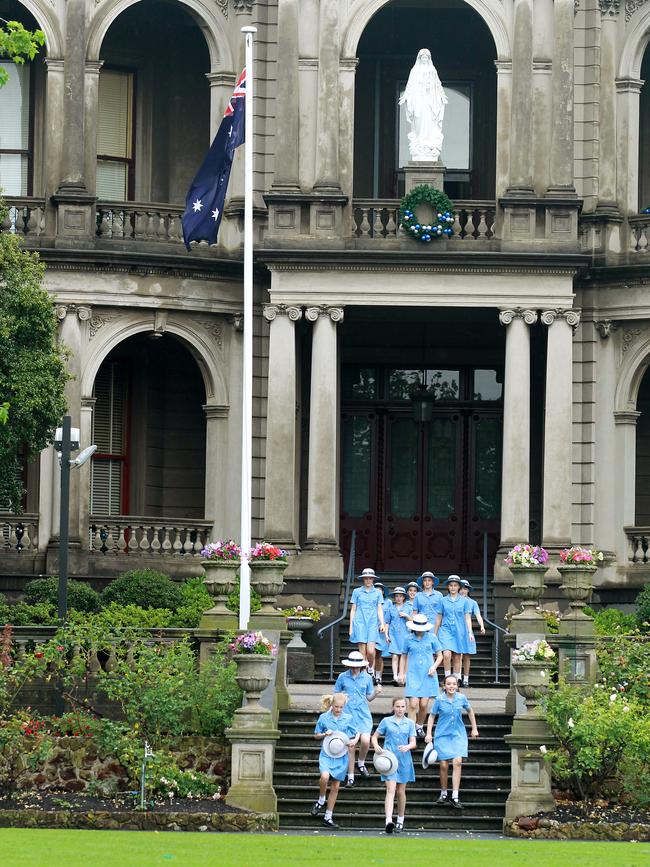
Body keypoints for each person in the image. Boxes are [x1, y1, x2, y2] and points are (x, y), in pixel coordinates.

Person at [425, 674, 479, 809]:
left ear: (457, 685)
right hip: (442, 735)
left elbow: (470, 711)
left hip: (458, 734)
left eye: (454, 684)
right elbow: (432, 716)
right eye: (448, 684)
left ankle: (455, 795)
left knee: (458, 761)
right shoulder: (439, 699)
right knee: (443, 764)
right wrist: (429, 733)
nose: (451, 686)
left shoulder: (461, 698)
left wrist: (474, 728)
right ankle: (444, 793)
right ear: (444, 686)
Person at [334, 649, 382, 786]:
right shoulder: (342, 677)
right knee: (351, 746)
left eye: (357, 666)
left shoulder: (367, 677)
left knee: (366, 741)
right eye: (353, 666)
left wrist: (376, 693)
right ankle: (350, 776)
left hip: (363, 714)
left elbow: (369, 697)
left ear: (361, 666)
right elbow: (336, 695)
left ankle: (361, 763)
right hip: (348, 715)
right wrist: (341, 700)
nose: (355, 669)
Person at [312, 693, 359, 828]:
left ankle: (328, 817)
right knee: (325, 777)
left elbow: (357, 732)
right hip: (327, 753)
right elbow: (316, 735)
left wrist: (354, 741)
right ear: (331, 705)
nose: (338, 709)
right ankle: (321, 799)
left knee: (336, 786)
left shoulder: (348, 718)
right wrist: (323, 734)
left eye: (341, 707)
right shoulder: (324, 718)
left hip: (341, 754)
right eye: (336, 707)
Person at [371, 696, 417, 834]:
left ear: (406, 708)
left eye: (403, 706)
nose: (400, 709)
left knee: (401, 791)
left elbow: (414, 742)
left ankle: (401, 820)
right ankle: (388, 821)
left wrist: (408, 746)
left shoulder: (409, 723)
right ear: (393, 707)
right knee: (390, 789)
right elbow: (374, 736)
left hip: (404, 760)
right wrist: (376, 746)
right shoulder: (386, 721)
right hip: (389, 760)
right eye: (397, 706)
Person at [398, 48, 448, 162]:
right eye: (423, 57)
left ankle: (429, 145)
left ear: (429, 58)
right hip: (419, 101)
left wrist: (441, 95)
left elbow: (438, 84)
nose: (425, 59)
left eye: (426, 57)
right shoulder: (414, 71)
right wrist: (406, 96)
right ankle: (420, 145)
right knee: (419, 121)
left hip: (430, 102)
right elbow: (410, 85)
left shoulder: (432, 70)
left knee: (430, 122)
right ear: (420, 58)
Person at [404, 612, 443, 738]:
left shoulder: (432, 638)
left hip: (428, 673)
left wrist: (434, 666)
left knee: (424, 704)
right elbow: (403, 656)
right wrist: (401, 672)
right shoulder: (408, 638)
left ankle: (419, 726)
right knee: (413, 703)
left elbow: (440, 655)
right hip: (413, 673)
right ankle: (411, 731)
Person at [349, 567, 386, 682]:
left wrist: (382, 623)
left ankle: (370, 667)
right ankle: (364, 674)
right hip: (359, 622)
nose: (368, 580)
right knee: (362, 651)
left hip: (372, 623)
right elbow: (353, 609)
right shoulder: (357, 591)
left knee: (371, 650)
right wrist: (351, 626)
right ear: (363, 579)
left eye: (370, 578)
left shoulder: (378, 592)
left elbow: (379, 609)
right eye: (366, 578)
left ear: (373, 579)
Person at [435, 575, 474, 680]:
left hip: (459, 631)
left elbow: (467, 618)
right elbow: (438, 618)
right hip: (445, 630)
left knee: (457, 657)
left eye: (455, 585)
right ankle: (448, 679)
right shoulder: (442, 600)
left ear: (459, 587)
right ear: (448, 587)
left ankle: (455, 681)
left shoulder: (465, 601)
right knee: (446, 654)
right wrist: (434, 634)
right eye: (451, 585)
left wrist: (470, 632)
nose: (453, 587)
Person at [459, 579, 485, 687]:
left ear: (468, 590)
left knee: (467, 656)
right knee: (457, 655)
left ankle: (466, 679)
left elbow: (478, 615)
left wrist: (482, 626)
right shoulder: (455, 601)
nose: (463, 591)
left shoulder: (472, 602)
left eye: (465, 589)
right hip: (456, 630)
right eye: (461, 589)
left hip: (467, 631)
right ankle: (457, 677)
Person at [385, 586, 412, 685]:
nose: (398, 598)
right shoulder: (391, 608)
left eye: (400, 596)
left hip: (405, 634)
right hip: (394, 634)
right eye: (396, 596)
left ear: (404, 597)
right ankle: (395, 676)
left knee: (404, 655)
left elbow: (413, 621)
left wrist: (406, 615)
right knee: (395, 656)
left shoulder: (408, 608)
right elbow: (387, 622)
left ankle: (404, 675)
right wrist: (386, 635)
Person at [373, 582, 393, 685]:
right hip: (371, 628)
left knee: (379, 655)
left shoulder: (388, 602)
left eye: (380, 590)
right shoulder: (371, 600)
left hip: (382, 631)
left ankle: (378, 676)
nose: (378, 592)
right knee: (370, 653)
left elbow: (389, 617)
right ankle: (370, 673)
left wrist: (385, 629)